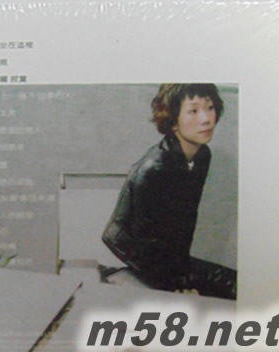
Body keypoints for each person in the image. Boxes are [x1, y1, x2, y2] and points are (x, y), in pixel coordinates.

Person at [101, 84, 236, 300]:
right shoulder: (155, 169)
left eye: (209, 108)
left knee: (238, 284)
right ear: (173, 121)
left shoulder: (202, 156)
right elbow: (148, 244)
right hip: (132, 257)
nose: (206, 119)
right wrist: (176, 286)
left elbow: (186, 221)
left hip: (170, 257)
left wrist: (183, 276)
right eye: (193, 111)